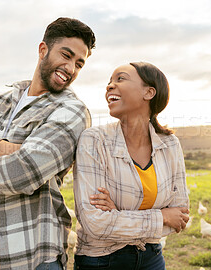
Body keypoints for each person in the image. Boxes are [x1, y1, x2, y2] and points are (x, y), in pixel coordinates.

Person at [0, 17, 96, 270]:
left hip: (30, 255)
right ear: (43, 50)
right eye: (65, 55)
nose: (70, 68)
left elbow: (23, 173)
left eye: (79, 63)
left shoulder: (71, 111)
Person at [73, 62, 190, 270]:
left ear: (149, 92)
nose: (109, 86)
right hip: (101, 261)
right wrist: (162, 216)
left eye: (120, 79)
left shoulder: (170, 145)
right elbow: (95, 224)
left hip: (151, 258)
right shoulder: (94, 140)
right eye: (109, 81)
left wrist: (117, 213)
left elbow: (179, 218)